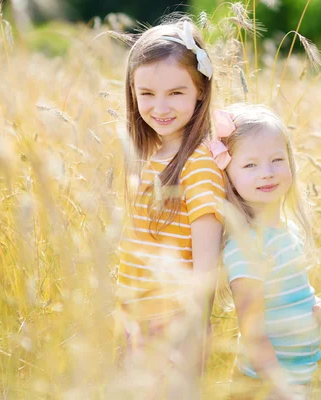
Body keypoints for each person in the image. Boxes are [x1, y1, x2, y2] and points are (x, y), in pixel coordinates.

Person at [114, 16, 223, 397]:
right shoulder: (156, 155)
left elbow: (206, 267)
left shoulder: (199, 165)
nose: (159, 107)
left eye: (176, 93)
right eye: (147, 93)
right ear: (132, 93)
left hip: (172, 332)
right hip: (138, 322)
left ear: (200, 91)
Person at [210, 104, 321, 399]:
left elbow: (287, 296)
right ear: (228, 176)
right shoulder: (247, 246)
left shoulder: (286, 230)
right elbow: (253, 331)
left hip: (296, 379)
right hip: (263, 385)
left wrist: (318, 306)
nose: (267, 173)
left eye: (276, 159)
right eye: (250, 165)